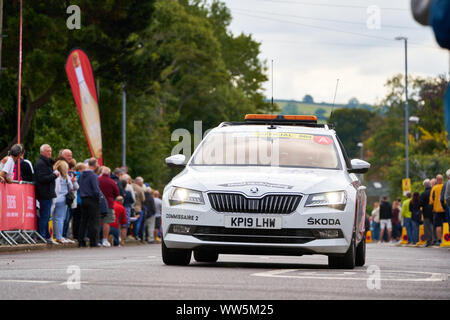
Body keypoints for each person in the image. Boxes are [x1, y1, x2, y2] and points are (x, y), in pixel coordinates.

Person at [34, 144, 60, 243]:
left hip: (48, 192)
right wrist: (54, 175)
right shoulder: (40, 163)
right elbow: (42, 178)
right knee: (44, 215)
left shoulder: (46, 162)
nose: (50, 153)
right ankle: (42, 236)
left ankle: (47, 236)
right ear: (42, 152)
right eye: (47, 151)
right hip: (44, 193)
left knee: (46, 215)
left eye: (50, 151)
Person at [78, 158, 102, 247]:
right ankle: (93, 241)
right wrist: (98, 198)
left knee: (83, 221)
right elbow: (96, 189)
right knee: (94, 221)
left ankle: (81, 241)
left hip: (84, 199)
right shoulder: (93, 176)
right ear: (95, 165)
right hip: (92, 200)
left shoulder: (82, 174)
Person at [51, 160, 74, 244]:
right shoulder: (66, 176)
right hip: (63, 199)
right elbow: (71, 187)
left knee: (50, 217)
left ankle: (50, 235)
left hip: (53, 197)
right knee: (60, 219)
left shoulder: (54, 174)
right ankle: (59, 236)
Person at [98, 166, 120, 247]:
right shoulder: (112, 182)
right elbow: (117, 193)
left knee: (98, 221)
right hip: (109, 204)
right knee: (106, 222)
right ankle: (105, 239)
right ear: (109, 173)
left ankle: (97, 239)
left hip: (98, 203)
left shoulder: (97, 180)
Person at [71, 162, 87, 241]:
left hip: (74, 200)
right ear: (80, 169)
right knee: (80, 219)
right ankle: (78, 235)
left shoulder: (74, 175)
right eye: (84, 169)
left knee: (75, 219)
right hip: (80, 200)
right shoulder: (81, 176)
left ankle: (75, 234)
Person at [429, 174, 446, 245]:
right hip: (445, 208)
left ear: (437, 180)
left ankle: (439, 240)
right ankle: (446, 239)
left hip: (437, 209)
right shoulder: (445, 186)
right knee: (446, 224)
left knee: (438, 225)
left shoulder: (434, 188)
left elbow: (431, 200)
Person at [420, 179, 435, 247]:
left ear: (424, 186)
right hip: (434, 211)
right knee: (433, 226)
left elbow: (421, 203)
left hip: (426, 212)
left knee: (427, 227)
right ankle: (434, 240)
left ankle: (429, 241)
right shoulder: (433, 191)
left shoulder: (424, 193)